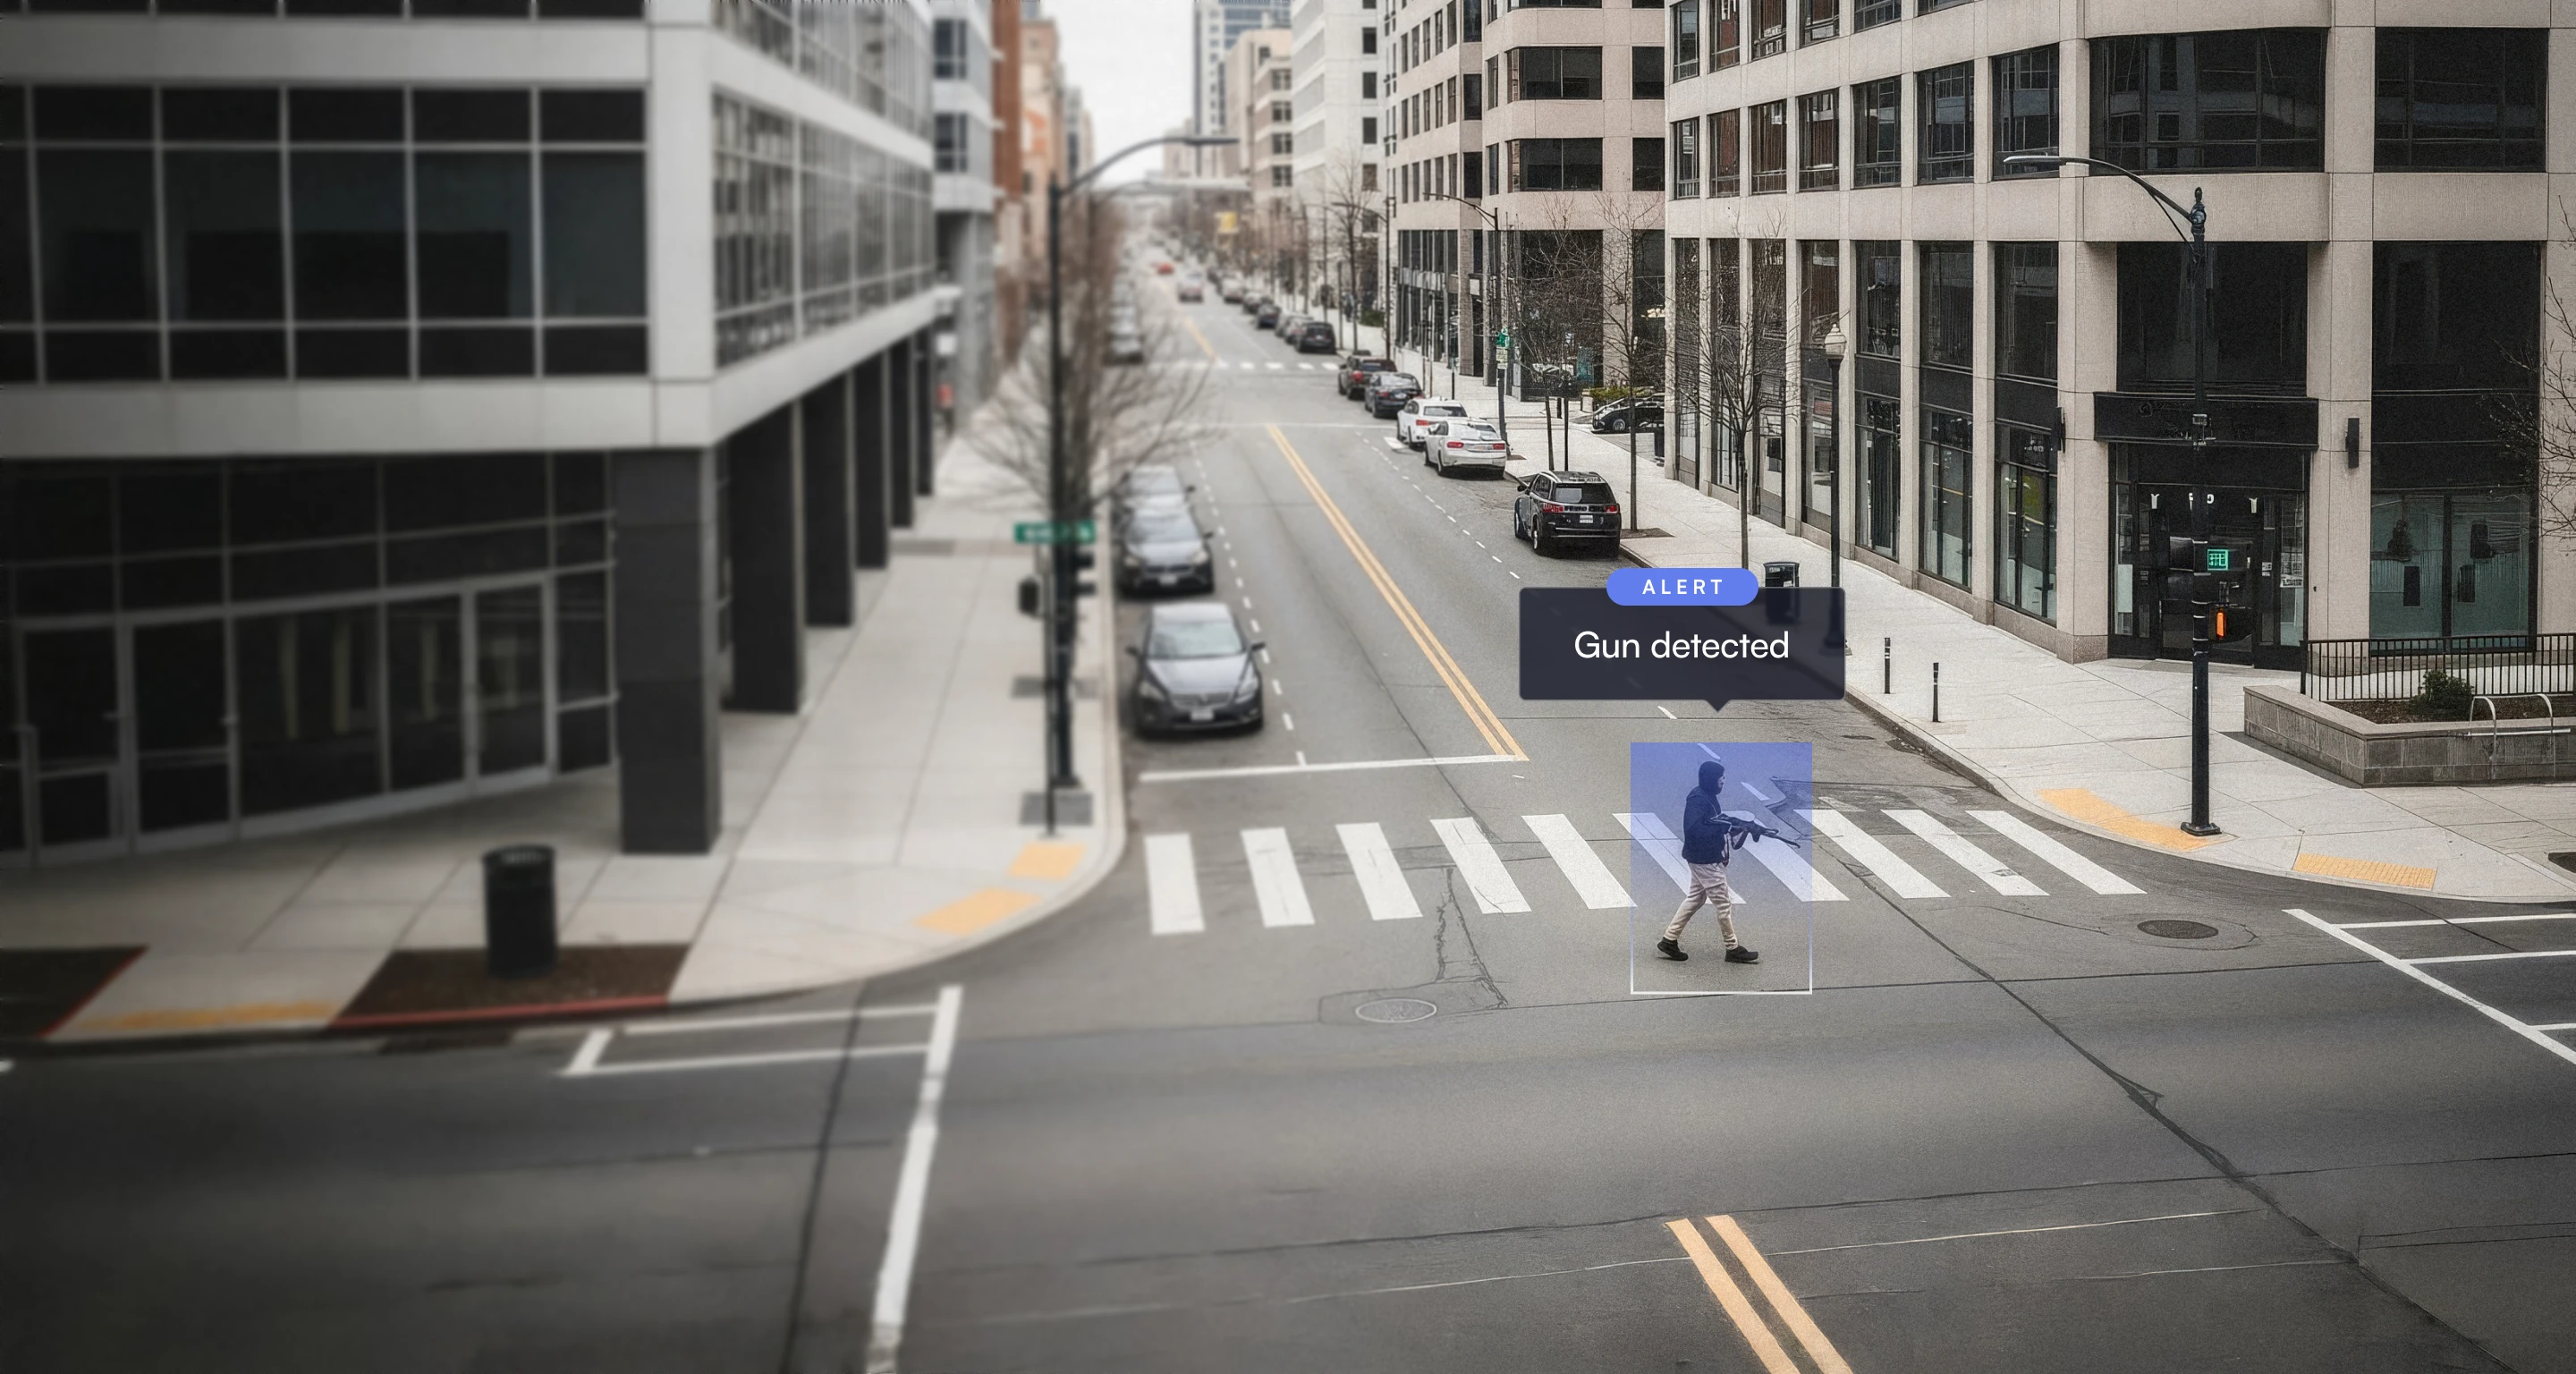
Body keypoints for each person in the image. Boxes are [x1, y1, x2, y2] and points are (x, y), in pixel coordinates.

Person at [1657, 758, 1787, 963]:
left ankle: (1669, 940)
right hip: (1706, 860)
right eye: (1721, 778)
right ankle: (1732, 948)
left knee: (1696, 899)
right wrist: (1726, 827)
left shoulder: (1707, 796)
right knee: (1724, 904)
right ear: (1711, 780)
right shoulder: (1698, 800)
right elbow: (1694, 829)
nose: (1723, 781)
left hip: (1703, 858)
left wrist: (1746, 826)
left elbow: (1718, 820)